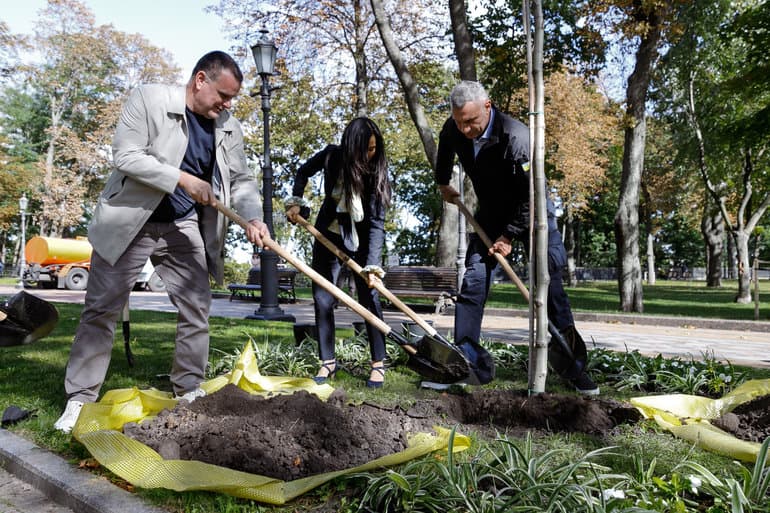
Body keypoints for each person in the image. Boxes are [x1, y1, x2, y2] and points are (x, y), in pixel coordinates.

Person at [53, 51, 269, 433]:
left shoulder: (228, 125)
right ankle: (80, 400)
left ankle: (188, 389)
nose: (227, 104)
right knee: (101, 309)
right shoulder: (149, 100)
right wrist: (183, 179)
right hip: (131, 220)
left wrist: (253, 217)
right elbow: (126, 156)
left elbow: (242, 179)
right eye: (223, 95)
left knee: (197, 306)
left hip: (180, 224)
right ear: (200, 80)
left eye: (232, 98)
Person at [434, 80, 599, 395]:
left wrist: (509, 235)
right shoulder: (455, 127)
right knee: (474, 281)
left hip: (534, 211)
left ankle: (574, 370)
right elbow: (445, 143)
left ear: (488, 106)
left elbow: (531, 197)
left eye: (471, 122)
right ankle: (466, 361)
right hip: (491, 211)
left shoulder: (517, 137)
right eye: (459, 122)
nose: (466, 129)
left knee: (550, 285)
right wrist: (443, 182)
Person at [286, 117, 391, 388]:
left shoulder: (376, 170)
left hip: (363, 239)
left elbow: (377, 222)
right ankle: (328, 362)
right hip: (328, 233)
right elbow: (302, 172)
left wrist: (372, 267)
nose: (370, 154)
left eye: (373, 148)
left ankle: (378, 363)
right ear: (351, 146)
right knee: (322, 298)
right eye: (365, 149)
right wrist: (297, 202)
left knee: (369, 297)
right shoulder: (333, 156)